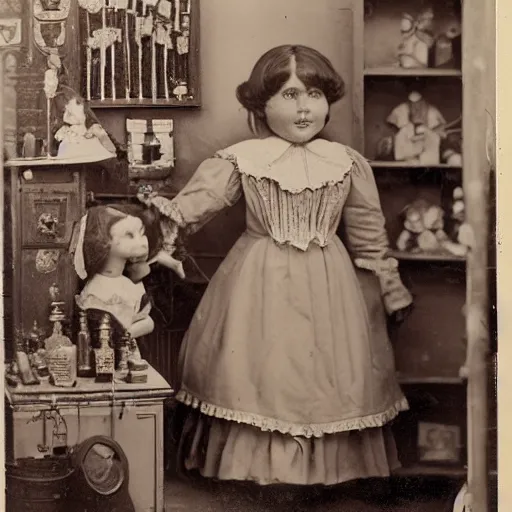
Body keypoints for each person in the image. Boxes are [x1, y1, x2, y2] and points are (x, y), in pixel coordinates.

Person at [138, 44, 413, 487]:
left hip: (331, 284)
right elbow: (191, 209)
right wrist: (154, 226)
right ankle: (259, 473)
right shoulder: (244, 160)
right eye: (289, 95)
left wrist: (390, 288)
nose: (304, 108)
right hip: (258, 282)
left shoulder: (346, 164)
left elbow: (368, 234)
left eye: (314, 95)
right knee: (258, 372)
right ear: (261, 105)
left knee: (330, 375)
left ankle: (321, 473)